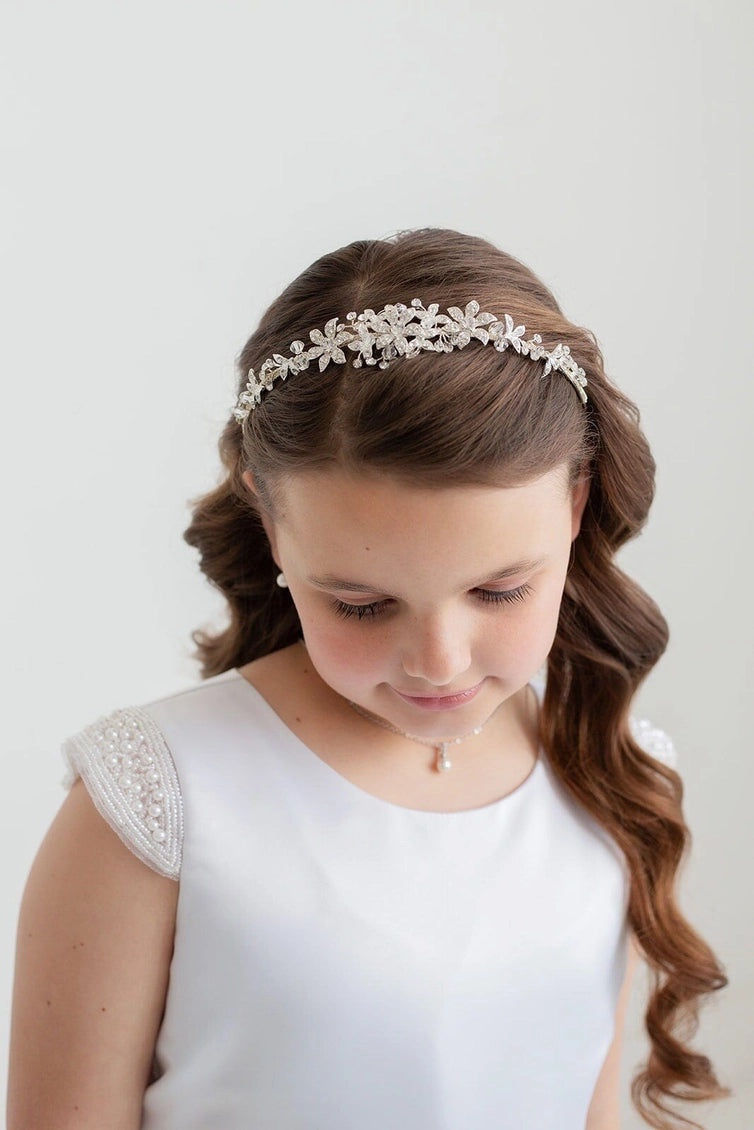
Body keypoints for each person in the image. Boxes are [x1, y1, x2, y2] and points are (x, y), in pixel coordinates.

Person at [8, 229, 729, 1130]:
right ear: (273, 529)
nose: (440, 660)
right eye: (359, 604)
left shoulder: (607, 772)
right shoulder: (158, 796)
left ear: (575, 508)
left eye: (500, 589)